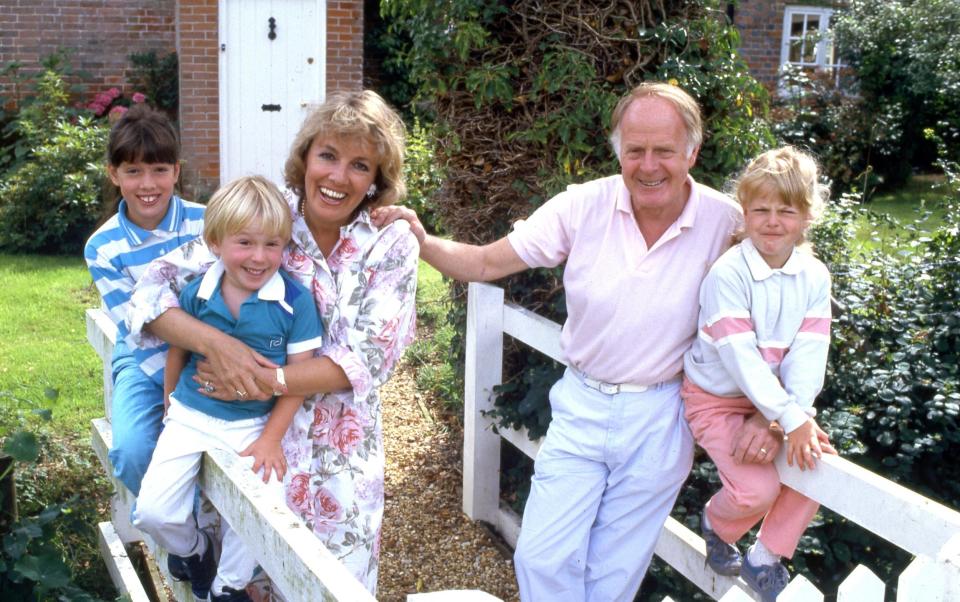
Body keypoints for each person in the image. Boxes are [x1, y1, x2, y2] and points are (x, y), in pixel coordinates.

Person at [373, 82, 781, 601]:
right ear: (618, 152)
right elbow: (485, 262)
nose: (648, 165)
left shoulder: (729, 223)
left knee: (614, 573)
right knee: (542, 556)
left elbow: (784, 320)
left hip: (662, 415)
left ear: (692, 152)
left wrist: (768, 413)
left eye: (664, 151)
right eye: (635, 150)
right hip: (582, 404)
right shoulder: (583, 206)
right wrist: (423, 241)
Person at [125, 90, 418, 594]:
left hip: (336, 457)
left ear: (376, 179)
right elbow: (156, 288)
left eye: (360, 165)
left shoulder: (390, 243)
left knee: (331, 586)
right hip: (244, 438)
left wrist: (266, 378)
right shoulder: (263, 215)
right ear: (305, 157)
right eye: (327, 155)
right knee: (244, 578)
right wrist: (216, 345)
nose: (337, 176)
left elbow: (371, 357)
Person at [133, 175, 324, 602]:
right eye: (245, 243)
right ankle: (196, 551)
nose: (259, 258)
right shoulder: (198, 293)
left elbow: (298, 377)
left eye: (272, 244)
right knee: (151, 511)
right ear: (216, 243)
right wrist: (169, 402)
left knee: (260, 511)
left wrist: (272, 439)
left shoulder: (295, 302)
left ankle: (228, 586)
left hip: (253, 425)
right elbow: (178, 349)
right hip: (190, 415)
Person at [681, 147, 837, 602]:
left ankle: (764, 557)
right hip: (715, 397)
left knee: (817, 467)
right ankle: (717, 522)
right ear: (744, 212)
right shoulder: (728, 274)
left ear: (807, 216)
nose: (772, 221)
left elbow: (810, 354)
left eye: (786, 210)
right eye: (760, 210)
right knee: (756, 489)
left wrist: (794, 416)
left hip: (775, 401)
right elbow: (742, 361)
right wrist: (786, 418)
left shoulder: (814, 277)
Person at [84, 104, 205, 496]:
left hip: (214, 350)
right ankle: (185, 543)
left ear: (177, 171)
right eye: (133, 171)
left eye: (159, 170)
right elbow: (142, 327)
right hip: (143, 354)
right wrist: (178, 394)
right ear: (114, 175)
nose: (147, 184)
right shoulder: (103, 248)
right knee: (133, 453)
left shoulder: (208, 222)